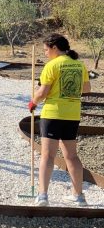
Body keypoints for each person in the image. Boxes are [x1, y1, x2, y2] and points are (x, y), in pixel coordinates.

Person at [28, 34, 91, 207]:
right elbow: (86, 88)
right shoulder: (79, 65)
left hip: (53, 114)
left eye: (46, 50)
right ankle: (79, 196)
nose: (46, 53)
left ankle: (42, 196)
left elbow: (42, 93)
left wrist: (33, 102)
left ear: (55, 47)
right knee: (71, 156)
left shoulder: (52, 65)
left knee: (48, 155)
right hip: (72, 115)